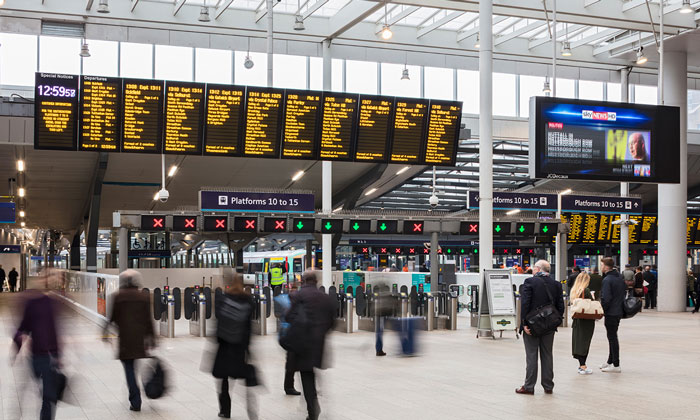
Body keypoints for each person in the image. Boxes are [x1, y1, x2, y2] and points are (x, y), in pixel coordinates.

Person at [103, 270, 155, 412]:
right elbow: (148, 320)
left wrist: (105, 332)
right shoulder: (144, 296)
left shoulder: (118, 296)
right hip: (139, 338)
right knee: (135, 366)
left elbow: (111, 317)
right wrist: (152, 338)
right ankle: (138, 392)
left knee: (129, 368)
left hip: (125, 339)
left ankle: (135, 399)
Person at [285, 270, 335, 420]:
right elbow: (332, 322)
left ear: (303, 281)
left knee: (307, 376)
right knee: (312, 373)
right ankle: (314, 404)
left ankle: (313, 409)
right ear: (316, 281)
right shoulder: (325, 298)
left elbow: (288, 316)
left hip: (302, 342)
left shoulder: (298, 295)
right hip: (318, 343)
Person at [12, 270, 61, 420]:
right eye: (51, 276)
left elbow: (56, 330)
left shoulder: (55, 301)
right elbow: (22, 327)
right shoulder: (32, 301)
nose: (55, 280)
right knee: (47, 393)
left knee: (49, 396)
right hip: (38, 355)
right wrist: (17, 347)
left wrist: (61, 356)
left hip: (52, 354)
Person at [213, 272, 259, 419]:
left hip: (225, 346)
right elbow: (249, 327)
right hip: (240, 346)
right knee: (244, 378)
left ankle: (225, 410)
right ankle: (251, 410)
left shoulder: (223, 299)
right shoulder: (248, 301)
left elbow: (218, 323)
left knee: (224, 380)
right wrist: (248, 347)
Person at [516, 260, 564, 395]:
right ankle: (548, 386)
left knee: (531, 355)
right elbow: (561, 306)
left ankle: (529, 386)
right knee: (547, 354)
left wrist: (524, 323)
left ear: (537, 269)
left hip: (532, 326)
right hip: (549, 326)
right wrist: (554, 321)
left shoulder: (530, 282)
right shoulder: (556, 285)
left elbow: (525, 304)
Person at [600, 258, 625, 373]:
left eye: (601, 265)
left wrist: (602, 310)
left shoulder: (607, 280)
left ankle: (616, 364)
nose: (601, 267)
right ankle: (610, 361)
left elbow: (606, 298)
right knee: (612, 336)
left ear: (605, 267)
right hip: (618, 310)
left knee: (612, 338)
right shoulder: (619, 277)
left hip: (610, 312)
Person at [570, 272, 595, 375]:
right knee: (585, 342)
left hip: (577, 320)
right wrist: (592, 296)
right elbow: (590, 303)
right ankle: (583, 366)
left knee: (579, 341)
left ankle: (581, 365)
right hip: (586, 320)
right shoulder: (586, 291)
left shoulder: (574, 291)